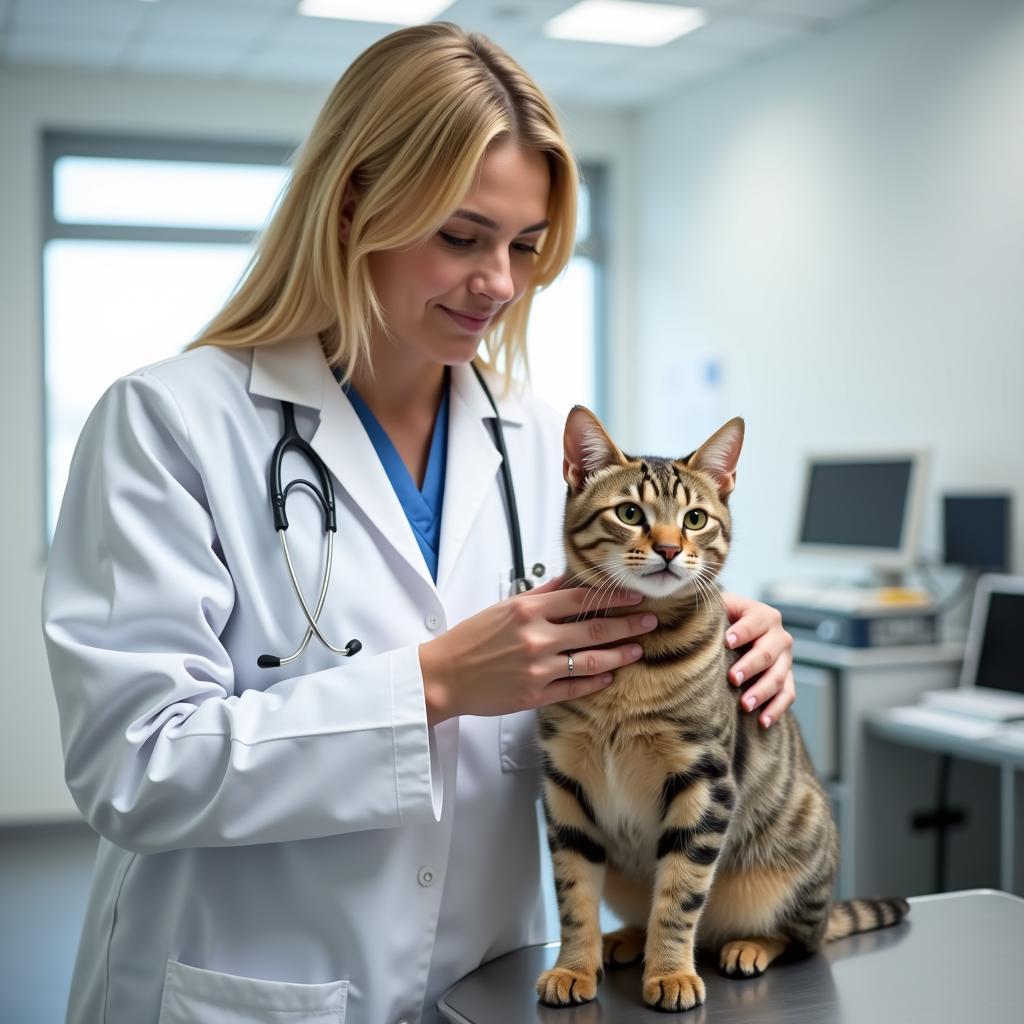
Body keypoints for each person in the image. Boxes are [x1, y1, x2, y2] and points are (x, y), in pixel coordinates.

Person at [41, 22, 795, 1024]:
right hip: (241, 985)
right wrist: (433, 685)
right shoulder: (170, 423)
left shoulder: (535, 442)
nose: (499, 283)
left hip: (486, 981)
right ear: (352, 202)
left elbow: (600, 674)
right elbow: (135, 770)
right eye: (461, 236)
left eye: (525, 246)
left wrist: (715, 637)